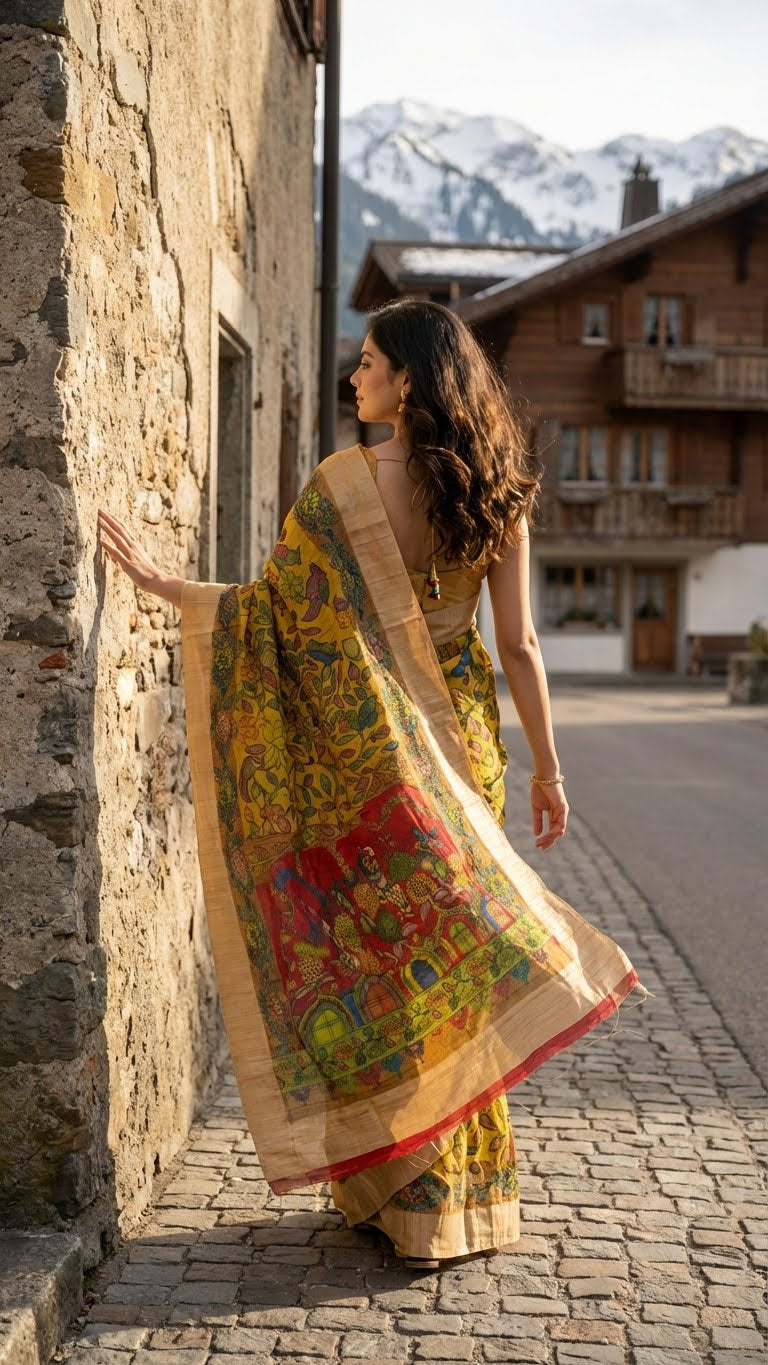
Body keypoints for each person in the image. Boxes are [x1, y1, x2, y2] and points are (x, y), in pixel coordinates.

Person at [97, 298, 643, 1270]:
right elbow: (518, 644)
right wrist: (550, 766)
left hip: (373, 756)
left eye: (369, 362)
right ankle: (462, 1198)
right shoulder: (498, 488)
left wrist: (177, 595)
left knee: (384, 956)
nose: (355, 377)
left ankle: (398, 1193)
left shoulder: (344, 485)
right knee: (454, 963)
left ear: (408, 381)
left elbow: (277, 619)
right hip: (464, 746)